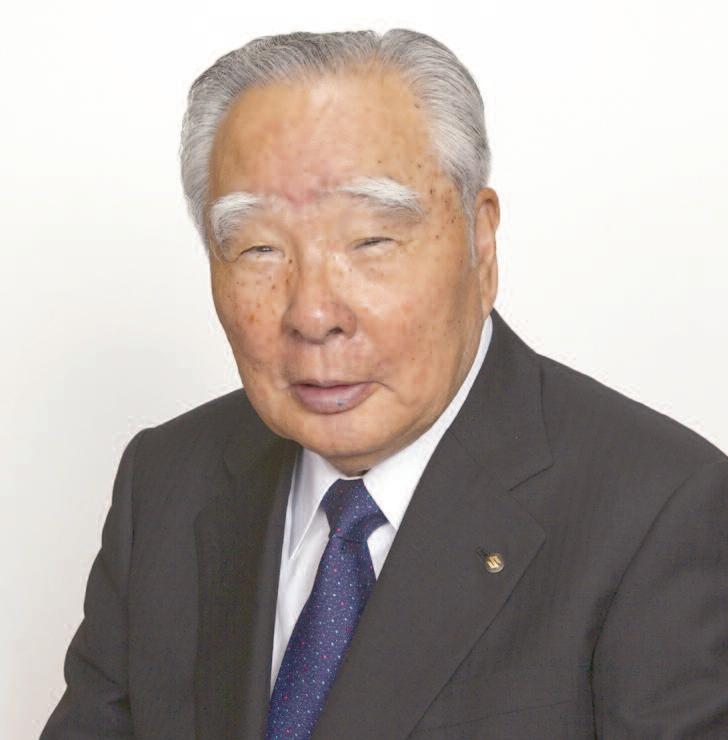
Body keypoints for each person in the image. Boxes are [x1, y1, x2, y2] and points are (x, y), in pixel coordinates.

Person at [41, 29, 728, 740]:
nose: (313, 314)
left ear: (481, 242)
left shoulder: (662, 512)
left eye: (370, 241)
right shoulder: (166, 482)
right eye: (259, 248)